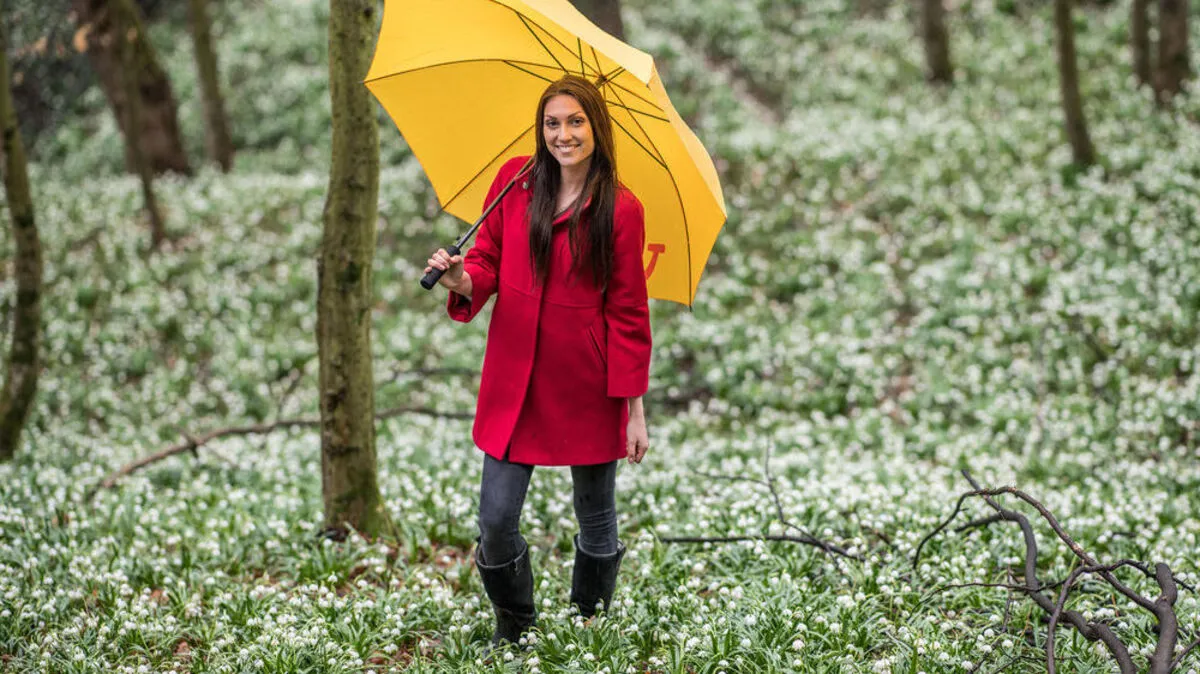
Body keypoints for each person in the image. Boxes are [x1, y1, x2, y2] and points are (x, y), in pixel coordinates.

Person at [424, 75, 652, 648]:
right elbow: (487, 263)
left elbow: (628, 311)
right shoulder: (514, 183)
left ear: (596, 129)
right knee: (496, 522)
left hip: (588, 381)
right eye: (553, 123)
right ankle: (516, 626)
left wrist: (635, 409)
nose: (563, 134)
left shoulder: (622, 209)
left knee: (596, 517)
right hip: (515, 375)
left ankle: (587, 626)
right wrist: (460, 276)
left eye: (576, 122)